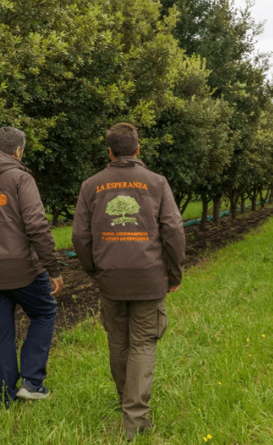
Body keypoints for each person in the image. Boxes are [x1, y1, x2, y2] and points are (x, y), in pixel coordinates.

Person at [72, 123, 185, 439]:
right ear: (138, 149)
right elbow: (174, 231)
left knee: (119, 341)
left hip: (111, 279)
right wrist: (174, 273)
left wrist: (95, 268)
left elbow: (80, 236)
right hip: (149, 278)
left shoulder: (91, 185)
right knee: (143, 343)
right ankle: (134, 419)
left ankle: (126, 400)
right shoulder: (156, 183)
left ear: (109, 151)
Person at [0, 126, 64, 407]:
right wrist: (52, 268)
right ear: (18, 151)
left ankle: (4, 398)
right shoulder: (20, 178)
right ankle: (32, 382)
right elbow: (37, 226)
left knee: (0, 331)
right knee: (43, 312)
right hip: (22, 269)